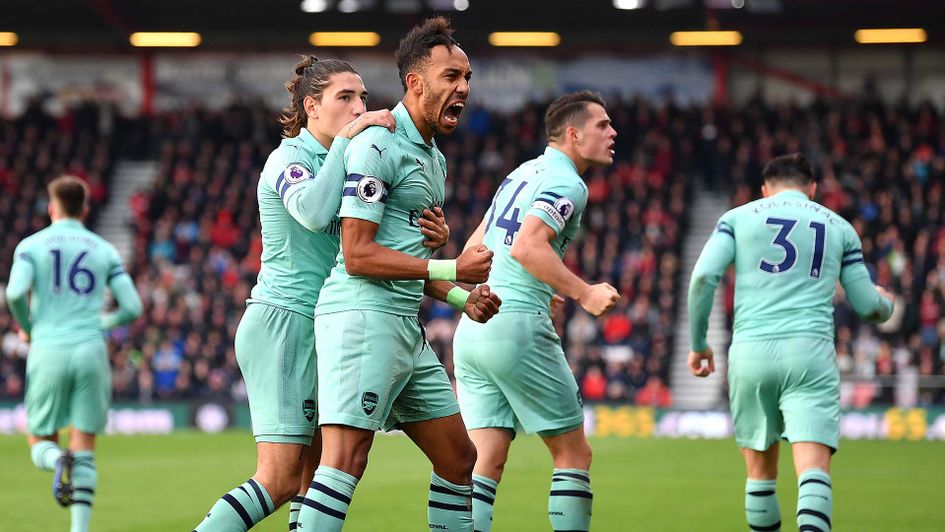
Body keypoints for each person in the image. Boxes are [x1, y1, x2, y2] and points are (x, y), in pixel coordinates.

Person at [192, 56, 451, 532]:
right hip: (284, 322)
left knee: (313, 479)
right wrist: (351, 140)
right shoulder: (289, 158)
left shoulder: (354, 160)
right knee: (280, 479)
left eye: (363, 98)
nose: (358, 107)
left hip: (328, 325)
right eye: (344, 97)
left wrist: (433, 238)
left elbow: (373, 247)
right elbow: (313, 213)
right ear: (312, 106)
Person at [297, 17, 501, 532]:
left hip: (402, 324)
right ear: (415, 82)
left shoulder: (432, 157)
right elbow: (359, 253)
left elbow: (409, 257)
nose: (464, 88)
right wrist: (453, 265)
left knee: (459, 460)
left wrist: (460, 297)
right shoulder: (378, 144)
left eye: (468, 77)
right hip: (361, 315)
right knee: (344, 461)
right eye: (451, 76)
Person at [687, 153, 895, 532]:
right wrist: (887, 302)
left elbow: (703, 277)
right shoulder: (840, 227)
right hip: (809, 353)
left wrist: (699, 343)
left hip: (750, 353)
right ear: (812, 189)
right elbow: (868, 306)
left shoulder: (737, 218)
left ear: (765, 190)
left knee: (760, 476)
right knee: (813, 473)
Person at [452, 90, 620, 532]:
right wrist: (584, 293)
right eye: (602, 125)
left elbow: (474, 250)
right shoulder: (568, 182)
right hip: (517, 326)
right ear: (573, 134)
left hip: (473, 326)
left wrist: (540, 283)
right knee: (573, 454)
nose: (612, 132)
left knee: (485, 458)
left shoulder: (520, 174)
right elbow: (528, 246)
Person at [6, 175, 143, 532]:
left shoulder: (30, 246)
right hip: (89, 350)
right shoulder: (103, 249)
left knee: (38, 439)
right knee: (85, 443)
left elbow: (16, 293)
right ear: (85, 209)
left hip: (48, 348)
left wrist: (28, 327)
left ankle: (55, 459)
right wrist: (101, 323)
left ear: (51, 208)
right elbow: (132, 306)